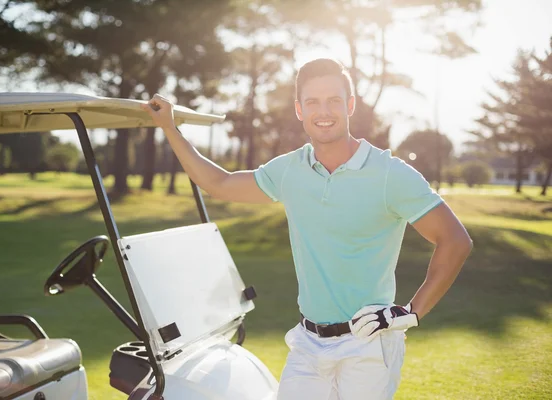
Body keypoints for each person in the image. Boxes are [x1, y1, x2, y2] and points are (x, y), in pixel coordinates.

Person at [141, 57, 473, 400]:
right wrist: (169, 128)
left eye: (333, 100)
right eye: (312, 102)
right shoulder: (290, 170)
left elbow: (454, 241)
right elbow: (220, 183)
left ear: (350, 105)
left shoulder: (390, 174)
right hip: (308, 344)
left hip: (370, 348)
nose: (323, 110)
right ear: (300, 110)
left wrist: (411, 313)